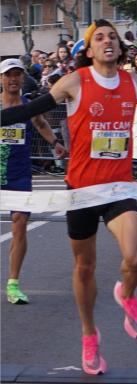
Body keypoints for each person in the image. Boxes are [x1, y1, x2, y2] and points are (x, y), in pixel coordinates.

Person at [1, 19, 137, 376]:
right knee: (85, 267)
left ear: (120, 47)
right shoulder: (75, 82)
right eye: (99, 38)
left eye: (112, 37)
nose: (107, 41)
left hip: (120, 188)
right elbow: (29, 111)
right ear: (89, 49)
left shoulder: (133, 82)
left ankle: (126, 292)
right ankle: (89, 336)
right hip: (81, 190)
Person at [1, 58, 67, 305]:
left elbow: (40, 124)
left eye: (17, 74)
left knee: (19, 224)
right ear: (1, 79)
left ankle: (13, 284)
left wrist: (55, 143)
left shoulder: (29, 106)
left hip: (19, 175)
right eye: (9, 75)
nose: (13, 79)